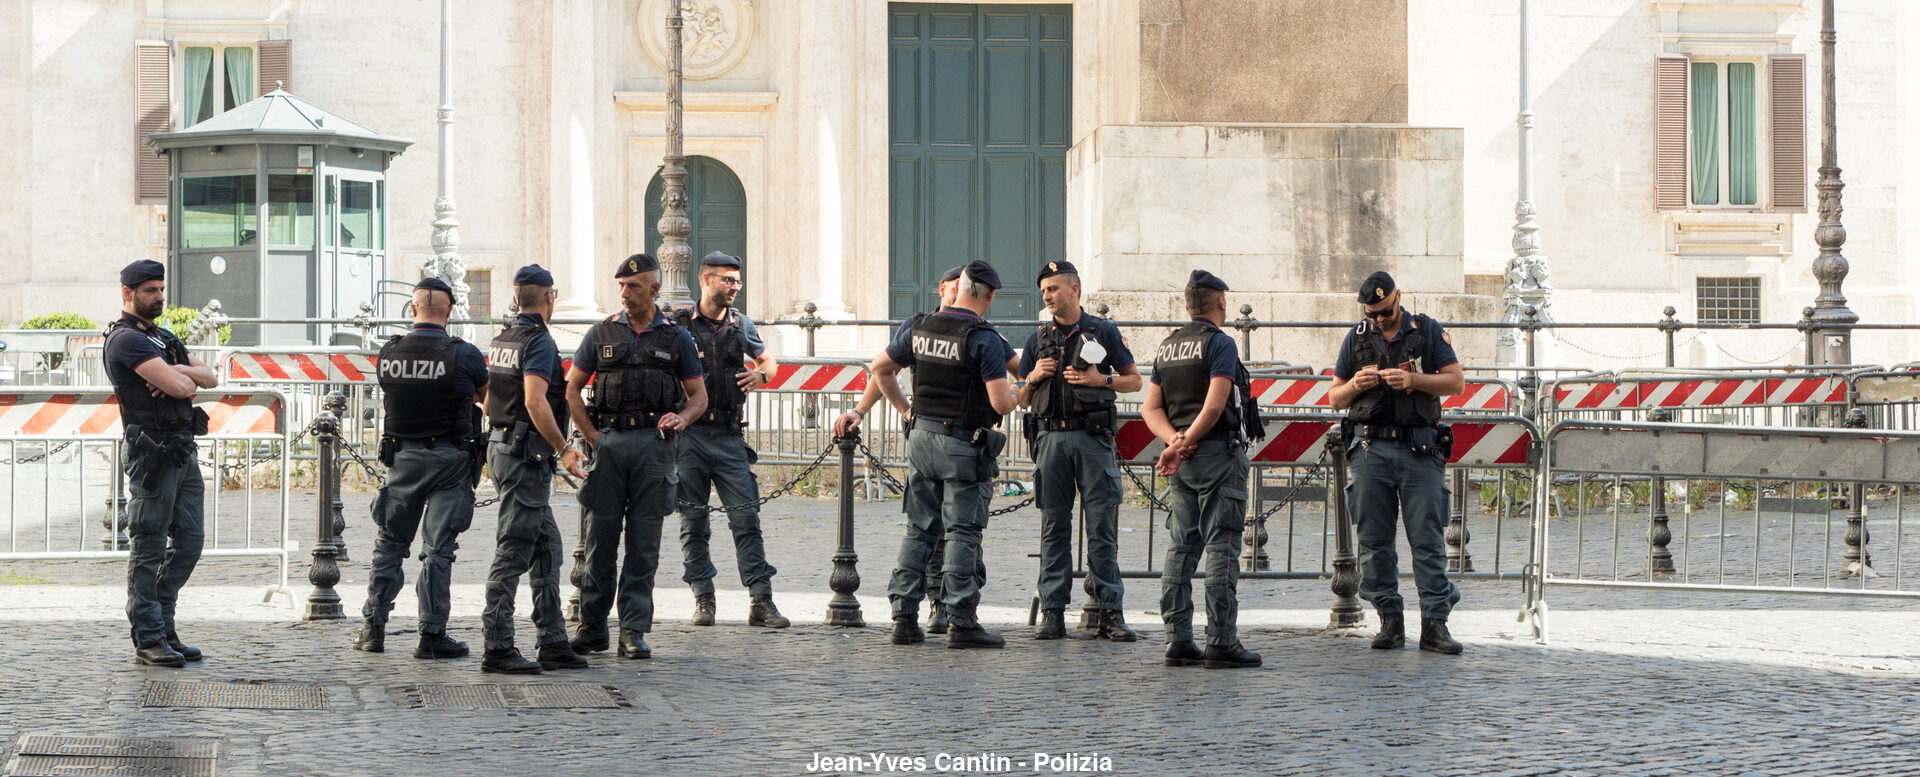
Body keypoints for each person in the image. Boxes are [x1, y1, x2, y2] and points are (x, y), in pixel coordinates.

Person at [832, 260, 1017, 649]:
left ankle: (903, 617)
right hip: (962, 445)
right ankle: (960, 621)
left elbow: (880, 369)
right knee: (962, 532)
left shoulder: (919, 327)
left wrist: (905, 410)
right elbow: (1001, 404)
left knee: (919, 528)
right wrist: (1024, 391)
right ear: (990, 295)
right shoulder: (983, 338)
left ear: (958, 288)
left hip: (921, 438)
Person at [565, 253, 707, 660]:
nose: (626, 294)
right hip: (609, 445)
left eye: (635, 287)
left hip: (653, 447)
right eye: (623, 287)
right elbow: (572, 389)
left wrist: (681, 418)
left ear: (655, 290)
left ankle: (633, 630)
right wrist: (593, 436)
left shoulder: (676, 337)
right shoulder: (601, 333)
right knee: (599, 541)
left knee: (644, 546)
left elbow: (699, 396)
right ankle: (592, 628)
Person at [1328, 271, 1466, 655]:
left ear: (1398, 298)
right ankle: (1389, 620)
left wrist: (1414, 381)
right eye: (1372, 314)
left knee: (1427, 540)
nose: (1379, 320)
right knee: (1374, 542)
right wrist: (1356, 385)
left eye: (1385, 312)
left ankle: (1435, 624)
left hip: (1419, 450)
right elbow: (1335, 398)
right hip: (1371, 450)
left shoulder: (1427, 331)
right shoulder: (1356, 339)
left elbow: (1456, 383)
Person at [354, 276, 490, 660]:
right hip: (450, 458)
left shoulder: (391, 352)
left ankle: (373, 628)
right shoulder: (464, 354)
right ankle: (431, 635)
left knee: (390, 544)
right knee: (438, 549)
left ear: (412, 310)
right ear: (450, 310)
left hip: (403, 459)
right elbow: (487, 398)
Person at [1142, 270, 1265, 669]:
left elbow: (1151, 408)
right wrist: (1188, 440)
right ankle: (1221, 640)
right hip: (1215, 455)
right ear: (1222, 303)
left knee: (1180, 548)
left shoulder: (1168, 346)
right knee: (1222, 548)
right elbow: (1215, 406)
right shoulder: (1220, 344)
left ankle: (1177, 638)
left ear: (1186, 305)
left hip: (1184, 462)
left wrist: (1174, 443)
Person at [1016, 261, 1143, 641]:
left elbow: (1135, 381)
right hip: (1050, 439)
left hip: (1092, 439)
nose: (1047, 296)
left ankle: (1109, 612)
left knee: (1101, 527)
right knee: (1053, 527)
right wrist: (1034, 376)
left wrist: (1099, 379)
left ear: (1074, 288)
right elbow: (1019, 397)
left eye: (1053, 288)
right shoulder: (1037, 339)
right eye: (1043, 291)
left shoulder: (1102, 331)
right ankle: (1053, 612)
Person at [103, 260, 219, 667]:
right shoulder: (125, 341)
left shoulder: (163, 339)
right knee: (149, 544)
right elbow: (183, 386)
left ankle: (165, 626)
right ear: (128, 293)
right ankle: (148, 637)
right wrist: (181, 378)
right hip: (151, 454)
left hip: (182, 451)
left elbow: (208, 378)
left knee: (190, 542)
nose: (159, 297)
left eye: (160, 289)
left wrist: (178, 370)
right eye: (150, 290)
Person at [477, 264, 592, 673]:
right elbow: (535, 400)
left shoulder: (503, 337)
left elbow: (490, 403)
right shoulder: (540, 342)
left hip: (504, 446)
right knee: (514, 548)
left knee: (547, 548)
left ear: (514, 298)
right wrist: (563, 447)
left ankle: (553, 639)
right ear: (550, 297)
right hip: (526, 455)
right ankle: (497, 645)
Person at [673, 251, 789, 629]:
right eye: (727, 280)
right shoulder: (678, 324)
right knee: (693, 520)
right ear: (706, 280)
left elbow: (770, 362)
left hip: (727, 434)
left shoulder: (742, 325)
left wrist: (762, 376)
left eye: (737, 281)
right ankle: (703, 598)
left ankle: (761, 600)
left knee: (747, 517)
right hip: (688, 436)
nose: (734, 287)